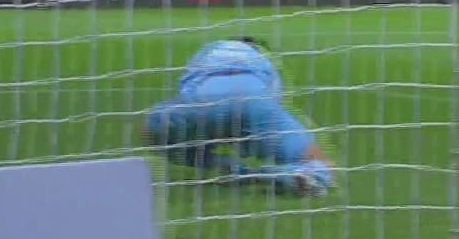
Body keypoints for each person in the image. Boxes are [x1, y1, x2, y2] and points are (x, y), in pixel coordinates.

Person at [141, 37, 335, 197]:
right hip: (255, 105)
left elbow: (186, 90)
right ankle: (295, 175)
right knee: (318, 162)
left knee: (152, 132)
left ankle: (228, 168)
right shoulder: (263, 59)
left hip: (203, 104)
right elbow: (273, 102)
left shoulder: (207, 52)